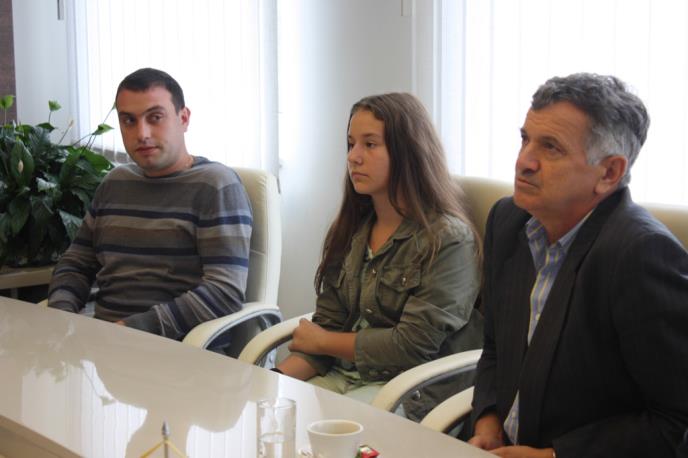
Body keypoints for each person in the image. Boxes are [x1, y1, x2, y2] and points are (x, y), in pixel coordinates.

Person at [469, 73, 688, 457]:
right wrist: (487, 420)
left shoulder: (642, 254)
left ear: (609, 173)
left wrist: (554, 456)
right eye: (525, 139)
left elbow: (676, 422)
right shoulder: (508, 221)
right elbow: (495, 348)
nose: (523, 162)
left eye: (550, 147)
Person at [274, 92, 484, 421]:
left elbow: (412, 346)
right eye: (351, 144)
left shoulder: (448, 239)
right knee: (271, 421)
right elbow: (324, 332)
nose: (353, 157)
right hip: (341, 376)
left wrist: (325, 342)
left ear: (408, 153)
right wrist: (271, 384)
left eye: (370, 144)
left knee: (328, 439)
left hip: (406, 391)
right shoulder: (350, 230)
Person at [48, 68, 252, 342]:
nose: (141, 133)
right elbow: (76, 263)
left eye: (155, 117)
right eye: (128, 121)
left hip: (180, 353)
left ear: (183, 118)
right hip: (106, 348)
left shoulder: (215, 185)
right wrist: (62, 317)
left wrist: (129, 330)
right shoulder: (115, 183)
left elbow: (224, 291)